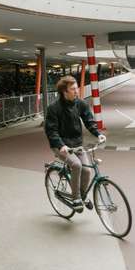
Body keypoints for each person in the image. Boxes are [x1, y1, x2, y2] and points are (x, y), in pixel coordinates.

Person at [44, 75, 106, 213]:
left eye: (76, 88)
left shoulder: (81, 104)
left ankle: (82, 196)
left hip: (77, 144)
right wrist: (61, 145)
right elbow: (51, 130)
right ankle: (76, 197)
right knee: (76, 165)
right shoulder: (54, 108)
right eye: (73, 89)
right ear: (64, 92)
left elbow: (89, 121)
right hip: (60, 145)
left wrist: (98, 134)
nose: (77, 91)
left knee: (87, 169)